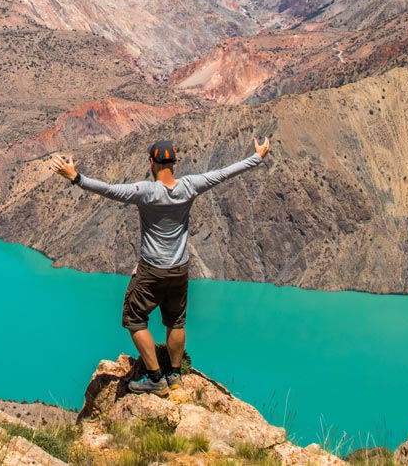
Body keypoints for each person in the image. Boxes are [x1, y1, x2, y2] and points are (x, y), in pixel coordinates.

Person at [49, 135, 271, 395]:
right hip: (180, 269)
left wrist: (76, 177)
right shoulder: (190, 186)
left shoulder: (145, 192)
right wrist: (257, 157)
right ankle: (174, 374)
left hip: (151, 270)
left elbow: (109, 189)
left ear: (151, 163)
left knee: (134, 318)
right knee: (176, 321)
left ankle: (155, 378)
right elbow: (223, 173)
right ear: (174, 163)